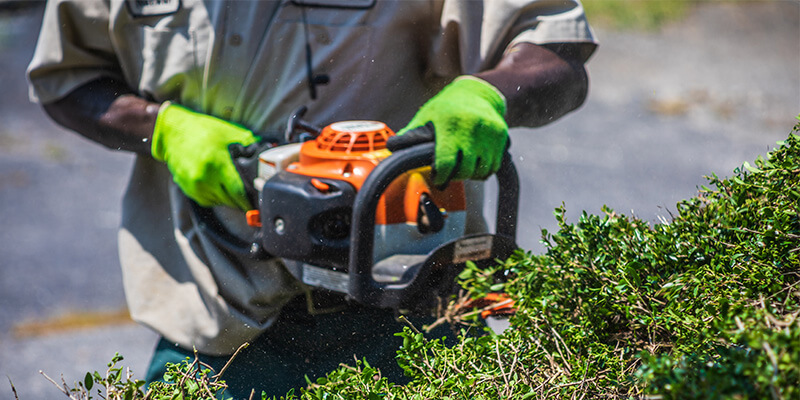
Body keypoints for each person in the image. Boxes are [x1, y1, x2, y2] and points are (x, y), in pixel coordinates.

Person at [27, 0, 597, 397]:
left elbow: (559, 52)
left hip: (414, 313)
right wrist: (164, 129)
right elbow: (67, 79)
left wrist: (485, 94)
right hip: (218, 321)